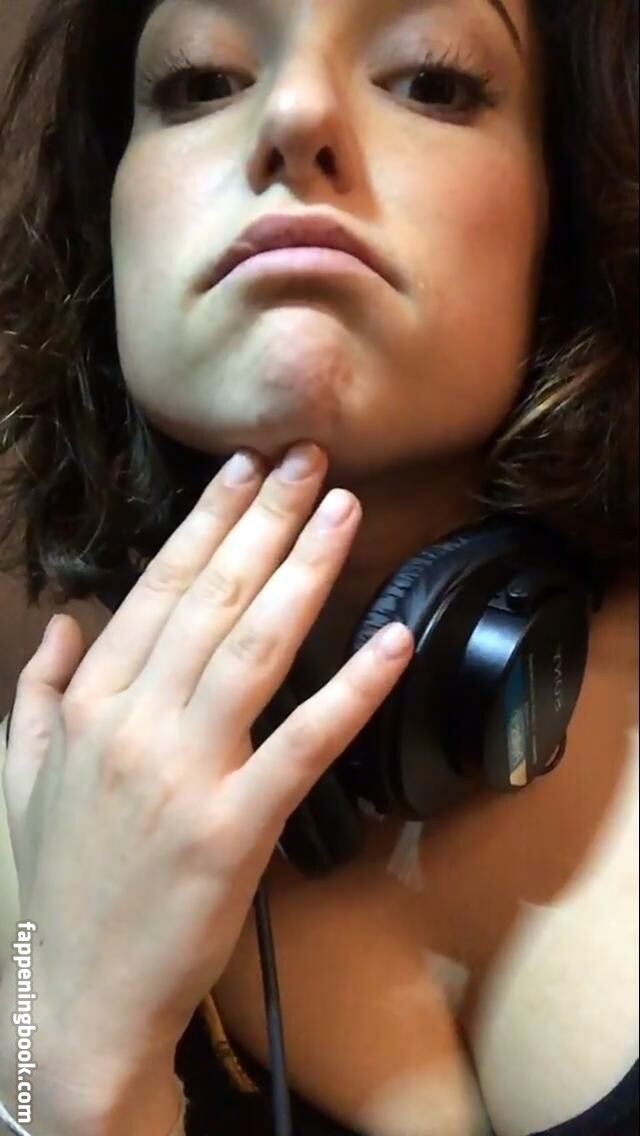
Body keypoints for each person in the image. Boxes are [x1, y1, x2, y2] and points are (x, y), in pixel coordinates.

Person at [0, 1, 637, 1133]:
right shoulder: (29, 831)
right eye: (200, 81)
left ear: (566, 215)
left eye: (433, 80)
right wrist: (66, 1070)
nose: (295, 114)